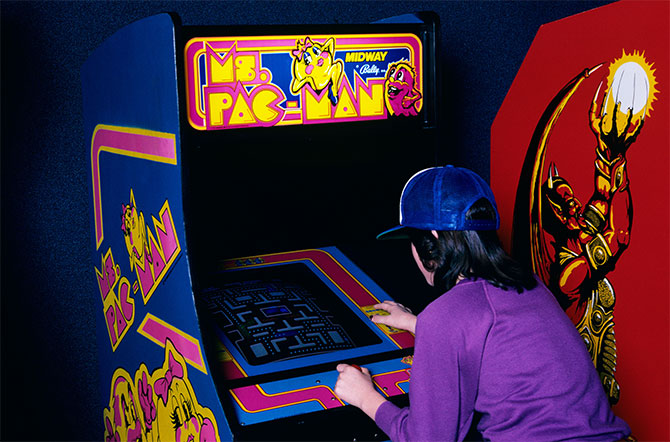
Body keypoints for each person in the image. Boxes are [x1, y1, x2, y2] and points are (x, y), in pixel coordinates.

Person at [334, 165, 631, 441]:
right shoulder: (530, 285)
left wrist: (366, 398)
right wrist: (418, 323)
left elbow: (428, 439)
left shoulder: (446, 316)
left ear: (432, 239)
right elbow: (495, 337)